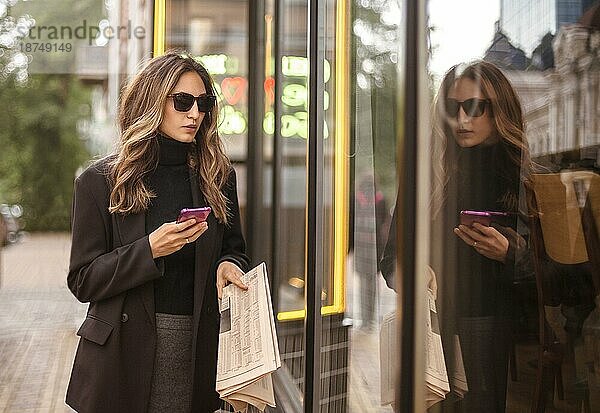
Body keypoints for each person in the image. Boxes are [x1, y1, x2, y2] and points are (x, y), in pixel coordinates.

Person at [65, 51, 250, 413]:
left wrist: (228, 264)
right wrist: (149, 249)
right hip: (122, 353)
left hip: (198, 344)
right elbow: (83, 280)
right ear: (152, 99)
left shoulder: (217, 176)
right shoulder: (99, 182)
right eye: (182, 102)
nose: (195, 114)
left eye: (203, 103)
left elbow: (235, 248)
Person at [381, 61, 533, 411]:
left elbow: (559, 276)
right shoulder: (427, 174)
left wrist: (510, 253)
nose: (462, 120)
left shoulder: (524, 176)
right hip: (433, 331)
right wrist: (411, 276)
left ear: (499, 111)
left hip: (500, 337)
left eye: (475, 107)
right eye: (453, 108)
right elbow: (390, 261)